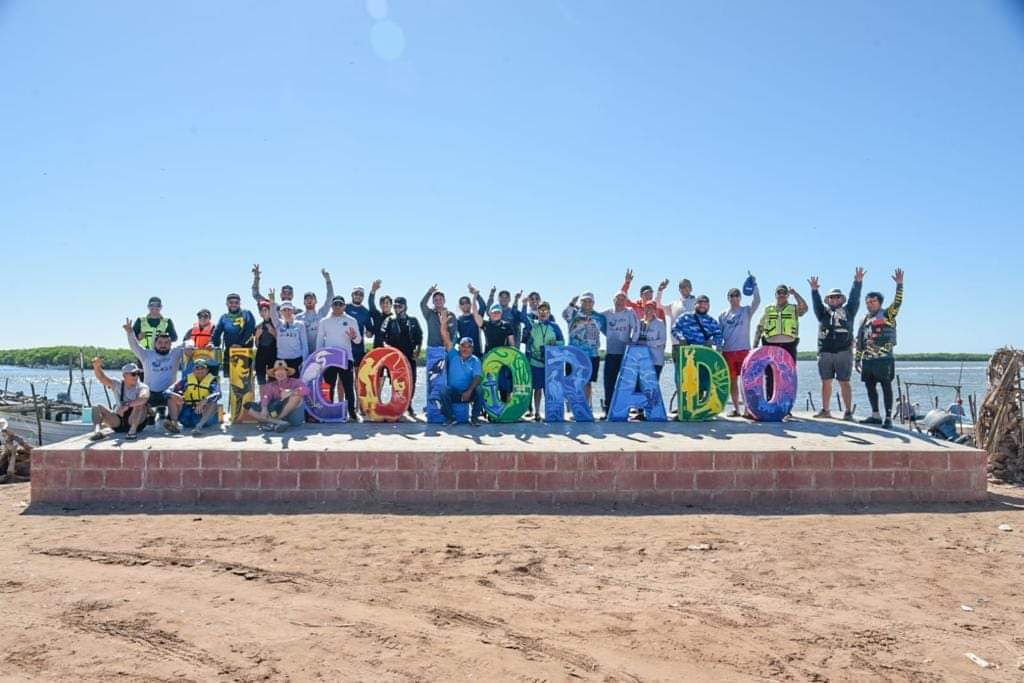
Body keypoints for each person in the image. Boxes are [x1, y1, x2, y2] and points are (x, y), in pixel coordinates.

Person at [809, 268, 864, 420]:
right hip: (825, 352)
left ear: (841, 299)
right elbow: (816, 304)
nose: (834, 299)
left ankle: (847, 412)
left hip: (843, 352)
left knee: (844, 382)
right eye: (831, 297)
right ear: (828, 300)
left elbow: (855, 298)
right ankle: (826, 410)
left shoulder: (849, 311)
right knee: (825, 381)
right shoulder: (823, 314)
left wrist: (857, 282)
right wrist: (814, 291)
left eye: (837, 297)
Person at [856, 268, 905, 428]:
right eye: (868, 302)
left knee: (886, 386)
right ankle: (875, 414)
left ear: (880, 302)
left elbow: (897, 303)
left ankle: (889, 417)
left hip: (884, 358)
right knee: (870, 387)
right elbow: (860, 340)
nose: (870, 304)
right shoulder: (864, 319)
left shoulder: (888, 315)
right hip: (868, 359)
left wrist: (899, 285)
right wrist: (858, 358)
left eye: (873, 301)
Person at [754, 284, 808, 402]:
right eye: (779, 293)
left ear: (787, 295)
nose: (781, 295)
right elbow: (760, 327)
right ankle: (770, 401)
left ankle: (786, 405)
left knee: (788, 375)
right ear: (775, 294)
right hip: (770, 345)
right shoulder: (769, 309)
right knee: (770, 374)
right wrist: (755, 346)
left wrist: (796, 294)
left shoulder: (793, 309)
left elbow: (804, 309)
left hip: (789, 345)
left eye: (784, 293)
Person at [719, 277, 761, 416]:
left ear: (740, 297)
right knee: (732, 381)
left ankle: (747, 409)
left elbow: (757, 301)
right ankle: (736, 408)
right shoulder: (723, 315)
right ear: (728, 298)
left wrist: (754, 285)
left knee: (746, 381)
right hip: (728, 352)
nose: (734, 297)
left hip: (744, 351)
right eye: (732, 295)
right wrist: (718, 349)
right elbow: (719, 335)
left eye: (737, 295)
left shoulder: (746, 311)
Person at [125, 319, 185, 416]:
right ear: (155, 344)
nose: (163, 345)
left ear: (170, 344)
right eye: (160, 343)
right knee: (140, 401)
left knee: (180, 397)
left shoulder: (176, 353)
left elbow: (189, 343)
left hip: (169, 393)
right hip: (150, 393)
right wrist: (130, 333)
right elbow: (134, 345)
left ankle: (172, 420)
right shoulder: (146, 354)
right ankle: (150, 414)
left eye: (166, 343)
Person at [317, 295, 362, 421]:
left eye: (340, 304)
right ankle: (329, 411)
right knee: (329, 385)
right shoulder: (324, 321)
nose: (337, 306)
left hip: (346, 358)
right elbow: (320, 341)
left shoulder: (351, 320)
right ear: (331, 306)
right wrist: (318, 358)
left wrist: (353, 337)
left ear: (344, 306)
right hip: (329, 359)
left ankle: (351, 413)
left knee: (348, 386)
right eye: (335, 304)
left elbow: (358, 340)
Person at [88, 359, 150, 441]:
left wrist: (127, 406)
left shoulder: (142, 387)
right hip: (118, 422)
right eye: (133, 374)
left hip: (136, 422)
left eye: (138, 374)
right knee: (97, 407)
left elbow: (144, 398)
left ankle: (132, 432)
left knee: (140, 404)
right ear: (124, 376)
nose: (136, 376)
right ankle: (97, 432)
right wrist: (97, 367)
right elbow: (102, 378)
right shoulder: (117, 384)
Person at [382, 296, 424, 417]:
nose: (397, 308)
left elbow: (419, 337)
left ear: (405, 307)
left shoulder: (413, 320)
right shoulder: (389, 320)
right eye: (395, 306)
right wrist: (387, 348)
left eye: (399, 306)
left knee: (412, 381)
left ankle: (408, 405)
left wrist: (418, 349)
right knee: (396, 383)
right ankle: (397, 406)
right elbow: (382, 336)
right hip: (395, 358)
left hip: (410, 357)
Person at [438, 315, 484, 426]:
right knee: (443, 390)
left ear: (472, 349)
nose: (466, 349)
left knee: (479, 389)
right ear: (459, 347)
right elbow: (445, 337)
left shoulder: (475, 360)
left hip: (468, 392)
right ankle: (451, 417)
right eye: (463, 346)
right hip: (454, 393)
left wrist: (469, 391)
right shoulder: (453, 355)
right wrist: (443, 324)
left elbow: (478, 377)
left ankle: (474, 418)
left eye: (469, 346)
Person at [562, 292, 607, 406]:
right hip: (574, 354)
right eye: (584, 301)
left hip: (592, 355)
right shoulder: (573, 314)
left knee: (588, 382)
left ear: (593, 303)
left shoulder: (600, 317)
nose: (587, 303)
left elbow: (608, 332)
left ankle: (586, 407)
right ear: (580, 302)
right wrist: (572, 302)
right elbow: (564, 314)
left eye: (590, 301)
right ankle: (572, 408)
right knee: (572, 381)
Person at [523, 301, 564, 421]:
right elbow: (523, 316)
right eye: (540, 311)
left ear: (549, 313)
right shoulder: (533, 325)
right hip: (535, 362)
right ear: (537, 312)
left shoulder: (555, 326)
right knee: (537, 388)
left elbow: (562, 342)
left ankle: (550, 413)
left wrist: (555, 343)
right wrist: (525, 304)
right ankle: (536, 412)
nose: (543, 313)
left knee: (550, 389)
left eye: (545, 311)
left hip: (550, 363)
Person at [601, 292, 640, 418]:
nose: (620, 301)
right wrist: (605, 332)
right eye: (618, 299)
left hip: (625, 354)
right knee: (609, 383)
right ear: (614, 300)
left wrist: (633, 342)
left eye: (623, 299)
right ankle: (608, 411)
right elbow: (595, 320)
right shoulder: (607, 313)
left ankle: (624, 411)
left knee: (626, 383)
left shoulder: (630, 312)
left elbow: (637, 328)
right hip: (611, 353)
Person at [246, 360, 310, 432]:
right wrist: (264, 408)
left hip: (294, 418)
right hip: (275, 412)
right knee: (250, 411)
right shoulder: (270, 385)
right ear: (274, 374)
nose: (280, 373)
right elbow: (265, 397)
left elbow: (307, 390)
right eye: (277, 371)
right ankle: (281, 423)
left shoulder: (296, 381)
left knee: (297, 397)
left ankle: (276, 421)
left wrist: (291, 392)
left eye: (282, 371)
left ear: (287, 373)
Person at [164, 358, 221, 435]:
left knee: (214, 403)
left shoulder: (213, 381)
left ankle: (198, 427)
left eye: (202, 368)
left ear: (207, 370)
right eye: (197, 368)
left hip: (202, 415)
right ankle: (174, 424)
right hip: (186, 415)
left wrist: (205, 400)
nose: (200, 370)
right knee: (172, 398)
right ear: (193, 370)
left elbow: (218, 394)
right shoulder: (186, 380)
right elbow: (167, 391)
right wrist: (175, 395)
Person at [212, 293, 257, 377]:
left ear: (239, 304)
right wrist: (214, 344)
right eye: (231, 302)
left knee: (245, 381)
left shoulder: (247, 313)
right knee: (229, 379)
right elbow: (217, 333)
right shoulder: (224, 317)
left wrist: (240, 344)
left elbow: (250, 330)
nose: (234, 304)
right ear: (227, 304)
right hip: (229, 352)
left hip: (245, 352)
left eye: (236, 302)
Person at [268, 290, 310, 374]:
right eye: (284, 310)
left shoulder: (300, 325)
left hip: (297, 359)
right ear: (281, 312)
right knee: (283, 385)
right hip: (282, 360)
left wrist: (305, 361)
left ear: (293, 311)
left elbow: (304, 344)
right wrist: (272, 303)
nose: (287, 312)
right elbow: (273, 314)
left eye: (289, 309)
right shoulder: (278, 324)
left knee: (297, 385)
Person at [296, 269, 335, 352]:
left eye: (312, 298)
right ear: (303, 302)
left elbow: (330, 298)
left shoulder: (321, 313)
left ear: (316, 301)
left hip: (320, 352)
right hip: (304, 353)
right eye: (307, 299)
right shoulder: (298, 318)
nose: (309, 300)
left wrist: (328, 280)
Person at [663, 278, 697, 352]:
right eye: (681, 287)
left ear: (691, 288)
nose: (683, 288)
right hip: (676, 344)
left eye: (686, 286)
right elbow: (657, 307)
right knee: (677, 364)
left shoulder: (697, 303)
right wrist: (660, 290)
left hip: (691, 344)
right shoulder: (673, 304)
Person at [421, 285, 458, 349]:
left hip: (446, 349)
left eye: (440, 299)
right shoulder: (429, 314)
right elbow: (422, 304)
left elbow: (454, 333)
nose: (438, 301)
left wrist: (450, 347)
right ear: (433, 302)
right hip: (432, 349)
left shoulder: (451, 315)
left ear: (444, 301)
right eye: (436, 300)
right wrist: (429, 292)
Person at [638, 300, 668, 378]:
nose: (649, 310)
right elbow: (635, 338)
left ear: (655, 310)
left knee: (653, 385)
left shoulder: (660, 323)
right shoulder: (640, 323)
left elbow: (662, 340)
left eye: (651, 308)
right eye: (647, 308)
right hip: (643, 360)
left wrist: (647, 343)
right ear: (644, 309)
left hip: (656, 360)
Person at [456, 285, 488, 359]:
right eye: (462, 303)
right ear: (460, 306)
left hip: (477, 352)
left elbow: (483, 307)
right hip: (463, 353)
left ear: (470, 304)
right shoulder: (458, 320)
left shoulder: (476, 316)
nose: (465, 305)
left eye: (467, 303)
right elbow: (454, 336)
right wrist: (461, 343)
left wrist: (476, 295)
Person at [253, 301, 277, 386]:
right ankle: (263, 398)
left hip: (273, 354)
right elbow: (256, 345)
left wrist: (274, 333)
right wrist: (257, 337)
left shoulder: (277, 324)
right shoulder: (258, 327)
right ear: (260, 313)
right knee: (260, 379)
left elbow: (281, 343)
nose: (264, 312)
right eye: (262, 310)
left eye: (266, 310)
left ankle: (274, 398)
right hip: (261, 355)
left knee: (273, 379)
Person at [346, 286, 372, 367]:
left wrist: (370, 333)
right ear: (352, 295)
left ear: (363, 297)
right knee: (342, 375)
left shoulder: (366, 312)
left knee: (358, 372)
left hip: (358, 348)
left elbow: (369, 331)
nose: (358, 296)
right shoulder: (344, 307)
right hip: (344, 346)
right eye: (356, 294)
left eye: (361, 294)